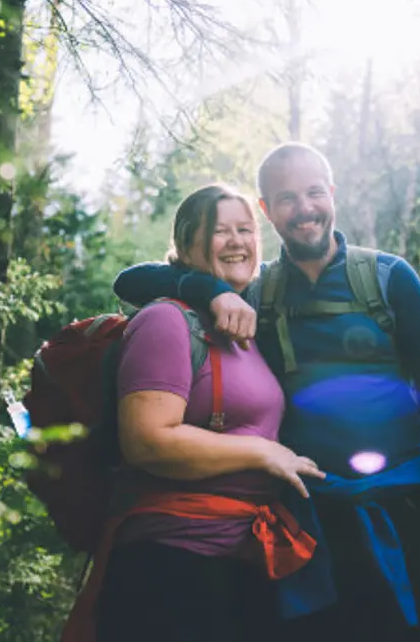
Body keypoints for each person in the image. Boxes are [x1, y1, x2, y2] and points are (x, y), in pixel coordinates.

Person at [113, 144, 420, 642]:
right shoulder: (257, 291)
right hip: (314, 522)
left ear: (331, 194)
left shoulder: (387, 277)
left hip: (412, 512)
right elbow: (133, 280)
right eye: (287, 199)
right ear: (268, 210)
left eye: (314, 192)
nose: (305, 208)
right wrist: (212, 292)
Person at [66, 184, 323, 642]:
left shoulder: (244, 323)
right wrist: (263, 452)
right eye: (220, 231)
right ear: (184, 246)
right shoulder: (167, 321)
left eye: (246, 229)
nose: (237, 241)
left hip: (241, 557)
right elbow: (147, 441)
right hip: (172, 559)